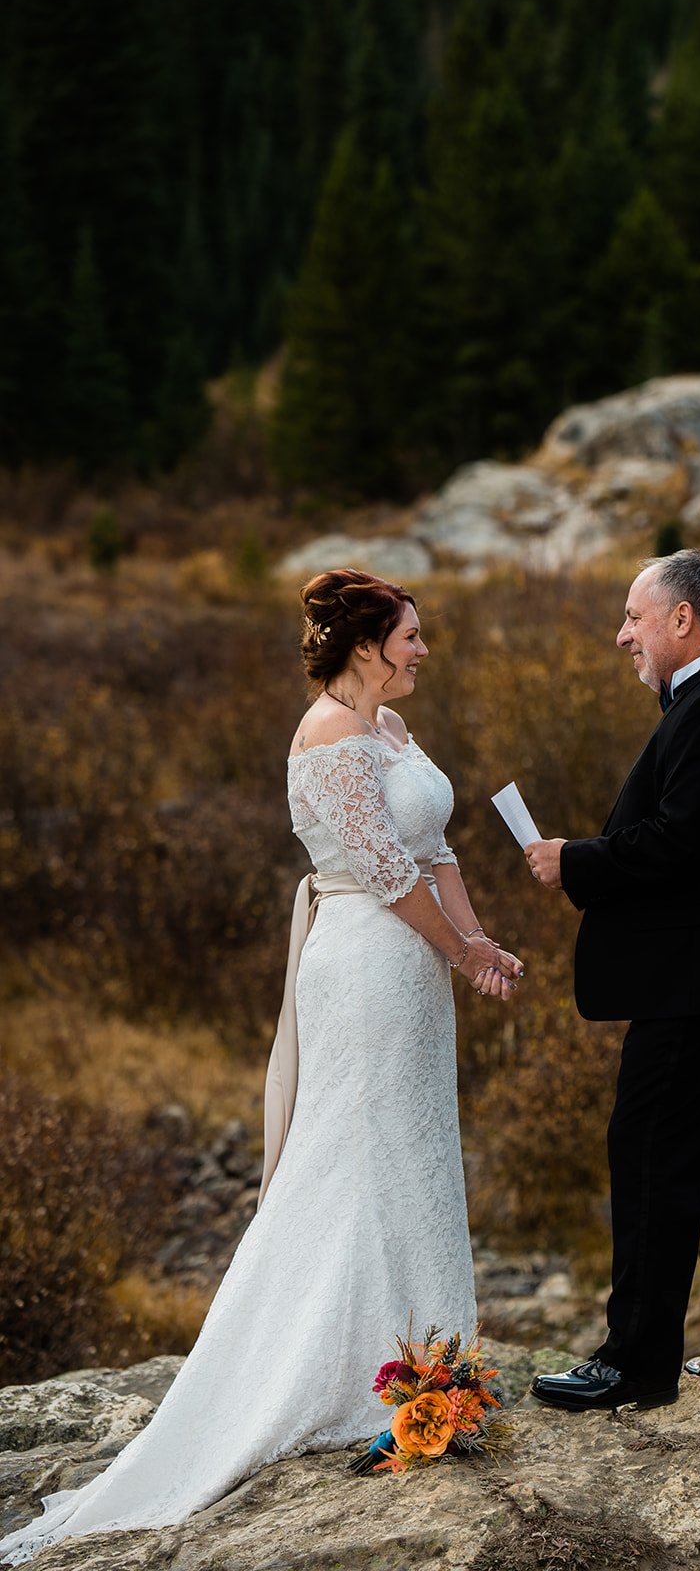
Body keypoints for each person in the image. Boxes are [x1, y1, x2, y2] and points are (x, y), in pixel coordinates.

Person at [0, 568, 522, 1565]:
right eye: (411, 636)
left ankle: (427, 1369)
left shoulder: (393, 733)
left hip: (414, 970)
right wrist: (456, 952)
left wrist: (480, 941)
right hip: (367, 965)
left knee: (413, 1153)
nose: (422, 650)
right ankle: (334, 1374)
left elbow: (439, 851)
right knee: (353, 1154)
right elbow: (383, 872)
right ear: (368, 644)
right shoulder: (328, 732)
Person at [524, 549, 700, 1413]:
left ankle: (636, 1362)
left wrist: (577, 860)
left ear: (682, 619)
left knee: (651, 1155)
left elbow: (682, 844)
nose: (622, 636)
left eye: (634, 618)